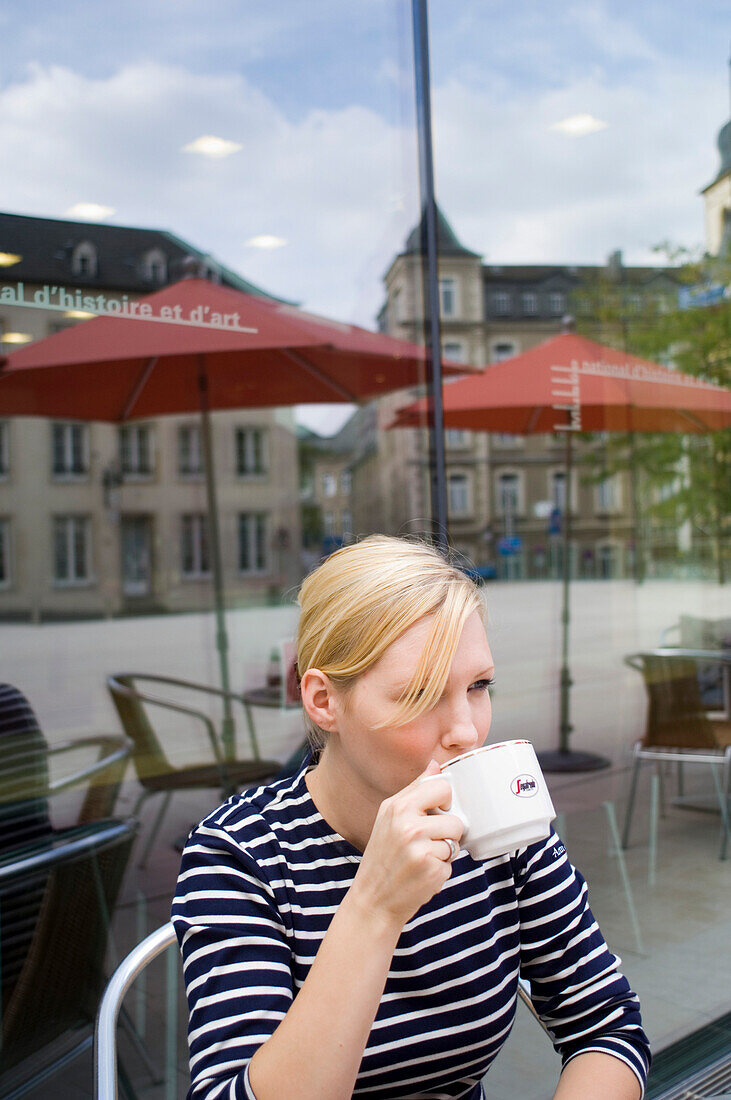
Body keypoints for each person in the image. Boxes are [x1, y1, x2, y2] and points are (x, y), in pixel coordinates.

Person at [172, 536, 650, 1100]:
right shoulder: (239, 857)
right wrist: (376, 907)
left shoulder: (498, 827)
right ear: (324, 701)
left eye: (478, 686)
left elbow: (607, 1025)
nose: (467, 731)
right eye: (421, 694)